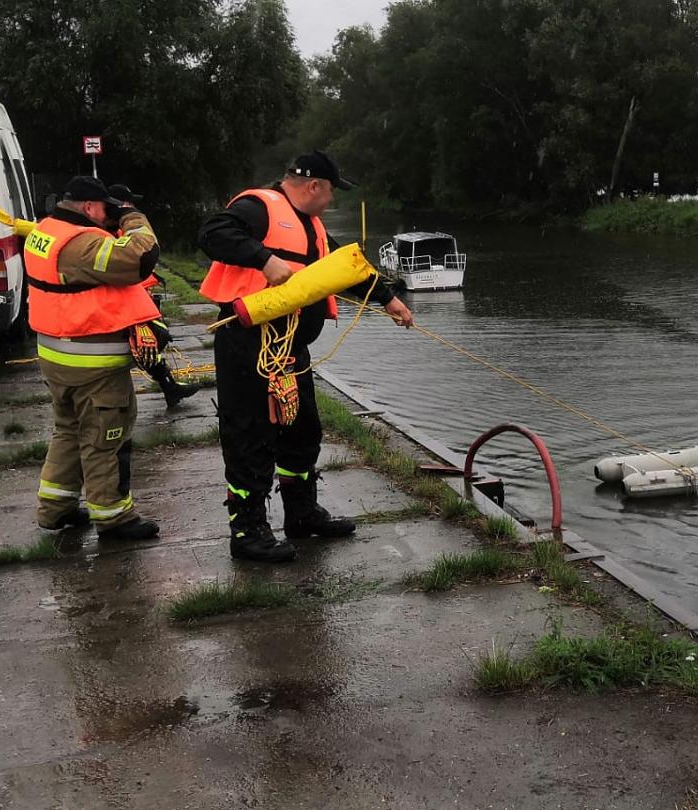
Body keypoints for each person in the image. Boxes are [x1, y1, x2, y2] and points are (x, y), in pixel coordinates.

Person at [197, 151, 414, 563]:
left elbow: (345, 269)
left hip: (291, 346)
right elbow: (211, 233)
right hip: (248, 345)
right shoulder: (258, 207)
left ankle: (301, 513)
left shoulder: (311, 226)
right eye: (331, 191)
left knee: (302, 429)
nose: (331, 201)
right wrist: (264, 258)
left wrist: (389, 300)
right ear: (314, 186)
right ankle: (247, 530)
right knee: (251, 436)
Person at [23, 176, 164, 542]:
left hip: (56, 355)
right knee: (106, 438)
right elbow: (141, 257)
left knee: (68, 431)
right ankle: (114, 517)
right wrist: (132, 217)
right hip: (92, 362)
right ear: (88, 207)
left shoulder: (47, 230)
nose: (107, 217)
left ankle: (56, 509)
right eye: (105, 210)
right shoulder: (84, 243)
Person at [105, 183, 202, 409]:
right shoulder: (107, 233)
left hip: (135, 301)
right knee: (142, 347)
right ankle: (166, 388)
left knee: (147, 346)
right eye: (129, 203)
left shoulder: (116, 230)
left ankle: (169, 387)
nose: (132, 208)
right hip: (124, 306)